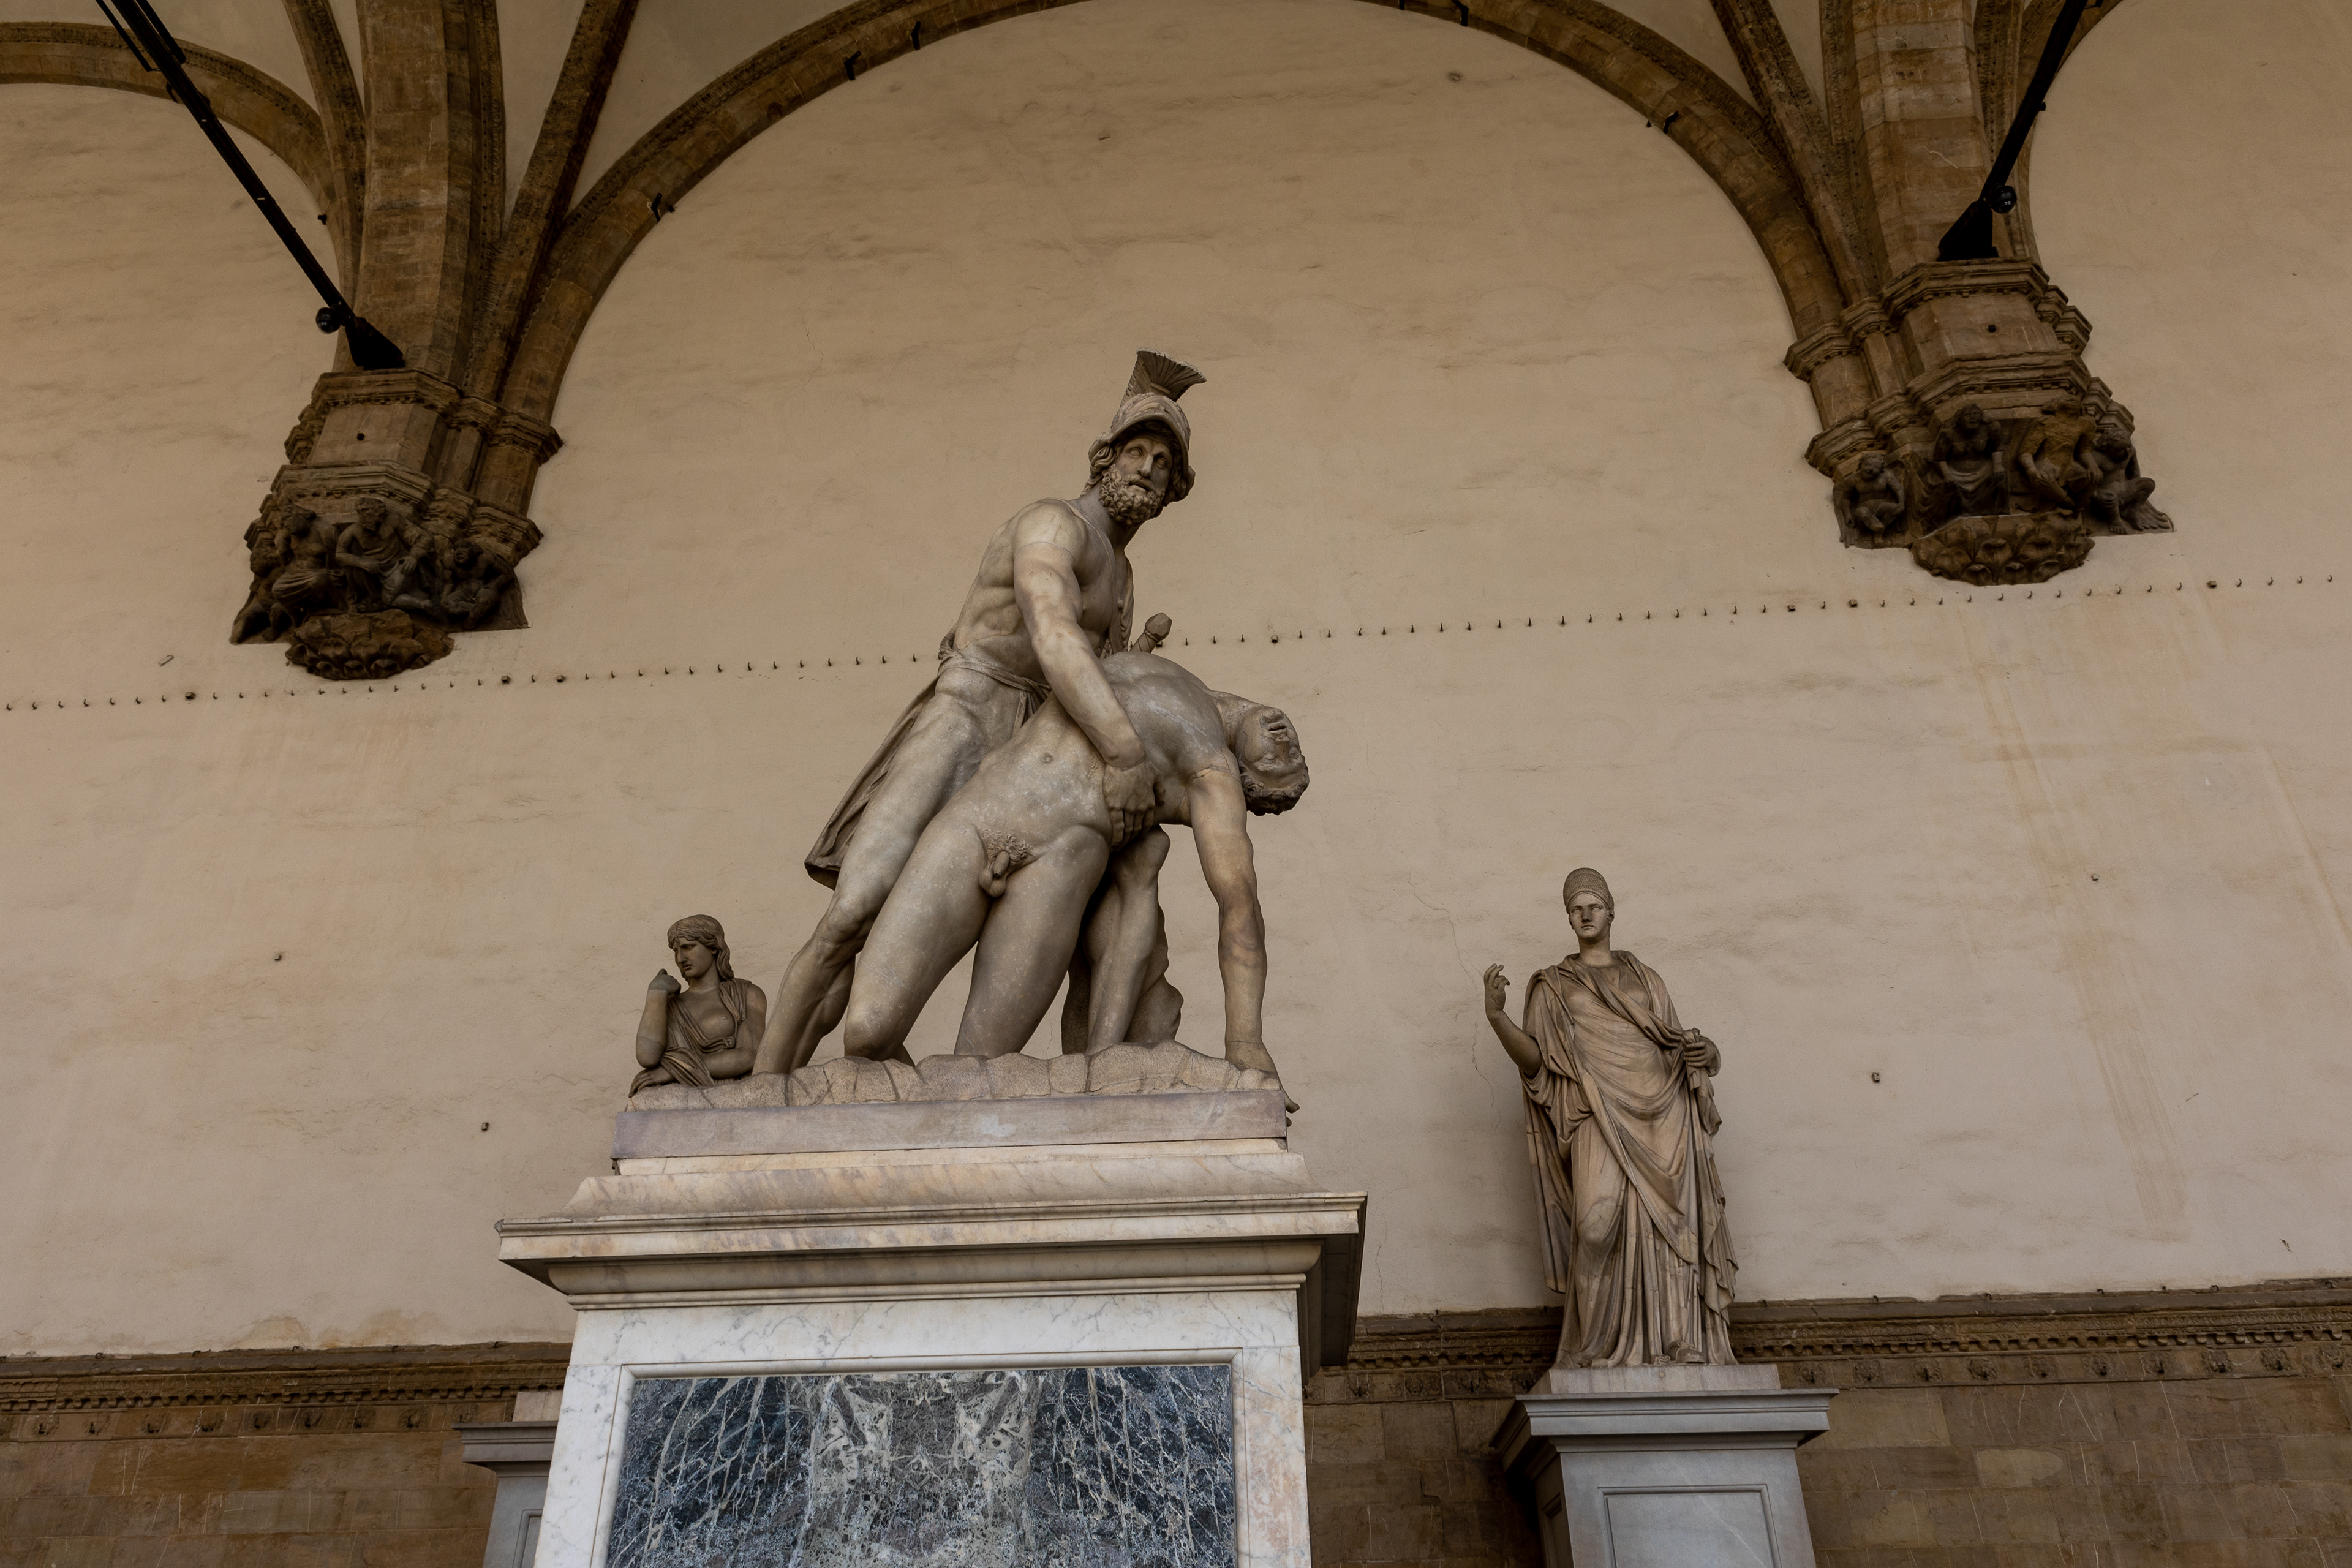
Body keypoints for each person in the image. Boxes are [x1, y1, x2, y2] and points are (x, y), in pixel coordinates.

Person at [753, 352, 1208, 1076]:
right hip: (968, 716)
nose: (1148, 469)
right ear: (1105, 459)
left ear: (1173, 492)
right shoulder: (1054, 525)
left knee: (1106, 889)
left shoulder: (1123, 578)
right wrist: (1125, 752)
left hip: (1039, 748)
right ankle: (765, 1082)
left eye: (1163, 463)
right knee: (855, 911)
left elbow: (1101, 677)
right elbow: (1053, 634)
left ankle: (1097, 1068)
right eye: (1137, 452)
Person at [837, 650, 1305, 1076]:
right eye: (1295, 755)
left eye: (1278, 764)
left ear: (1245, 779)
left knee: (973, 1073)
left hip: (1051, 871)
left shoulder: (1211, 774)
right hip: (975, 820)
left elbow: (1239, 903)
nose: (1284, 744)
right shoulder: (1169, 669)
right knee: (865, 1035)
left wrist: (1245, 1041)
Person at [1480, 869, 1736, 1368]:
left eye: (1593, 905)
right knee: (1595, 1227)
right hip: (1595, 1111)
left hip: (1663, 1110)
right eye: (1575, 908)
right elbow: (1537, 1063)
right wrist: (1497, 1018)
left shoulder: (1646, 978)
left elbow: (1676, 1042)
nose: (1585, 914)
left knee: (1673, 1226)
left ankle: (1678, 1339)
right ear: (1568, 918)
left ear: (1611, 912)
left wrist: (1708, 1053)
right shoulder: (1554, 986)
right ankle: (1593, 1345)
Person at [631, 916, 768, 1095]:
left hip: (732, 1095)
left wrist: (674, 1070)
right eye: (675, 951)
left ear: (714, 947)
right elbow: (647, 1058)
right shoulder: (670, 1005)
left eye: (688, 947)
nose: (680, 958)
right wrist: (656, 993)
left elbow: (750, 1055)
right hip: (679, 1096)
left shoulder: (745, 994)